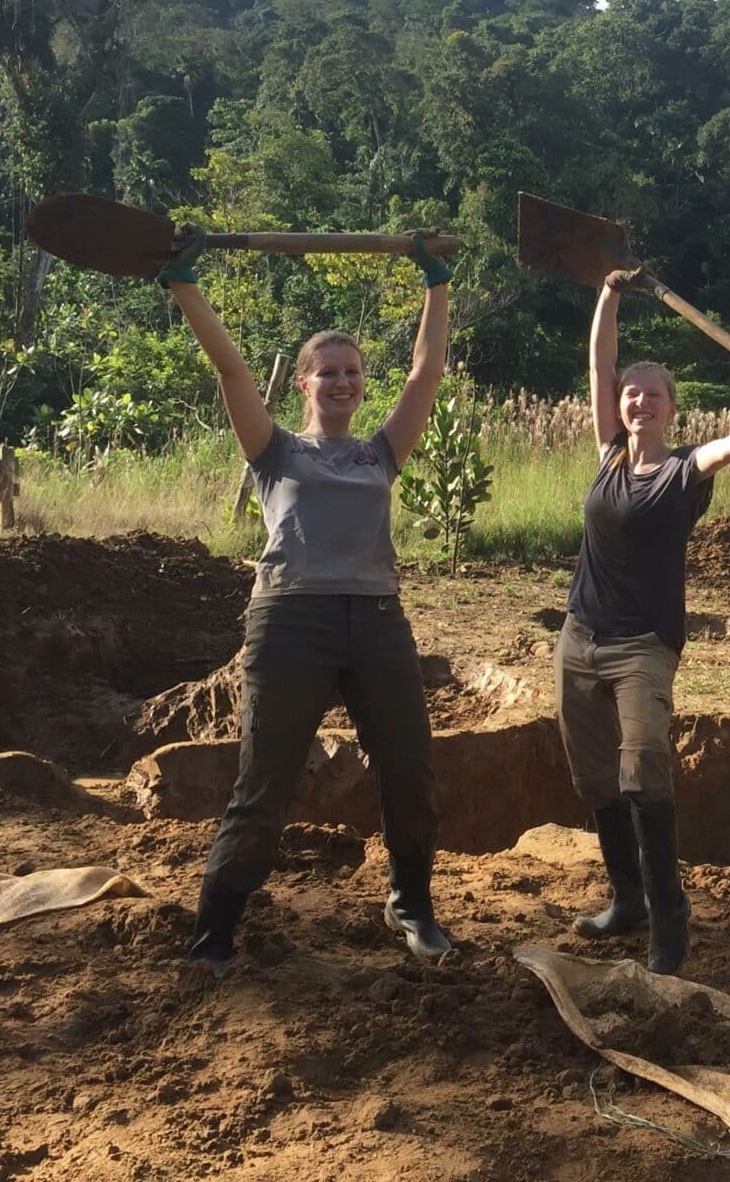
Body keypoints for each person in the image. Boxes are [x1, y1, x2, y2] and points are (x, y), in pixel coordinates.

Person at [160, 226, 458, 972]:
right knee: (264, 784)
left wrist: (437, 282)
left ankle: (411, 905)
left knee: (410, 773)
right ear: (302, 384)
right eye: (327, 372)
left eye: (353, 372)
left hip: (378, 622)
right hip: (290, 621)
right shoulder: (275, 451)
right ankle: (214, 934)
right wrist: (184, 287)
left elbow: (424, 374)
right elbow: (230, 371)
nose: (343, 382)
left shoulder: (379, 451)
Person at [558, 267, 730, 974]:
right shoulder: (609, 452)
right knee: (594, 780)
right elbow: (599, 360)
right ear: (620, 406)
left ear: (673, 410)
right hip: (579, 638)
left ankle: (668, 914)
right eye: (631, 393)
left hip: (642, 647)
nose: (639, 399)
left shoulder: (682, 471)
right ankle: (627, 899)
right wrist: (609, 293)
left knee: (643, 772)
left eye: (654, 394)